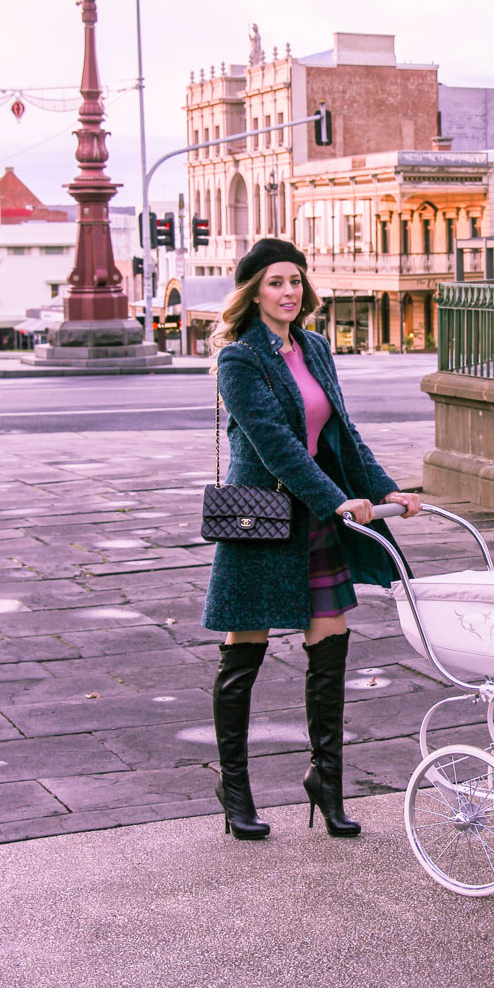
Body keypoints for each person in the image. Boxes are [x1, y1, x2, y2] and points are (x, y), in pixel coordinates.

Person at [202, 238, 420, 841]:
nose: (289, 292)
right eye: (275, 282)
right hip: (264, 518)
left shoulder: (316, 347)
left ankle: (327, 782)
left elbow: (342, 434)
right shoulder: (239, 358)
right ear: (252, 292)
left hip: (318, 517)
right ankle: (235, 788)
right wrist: (335, 499)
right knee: (244, 647)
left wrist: (388, 490)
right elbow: (275, 443)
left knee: (330, 643)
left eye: (296, 280)